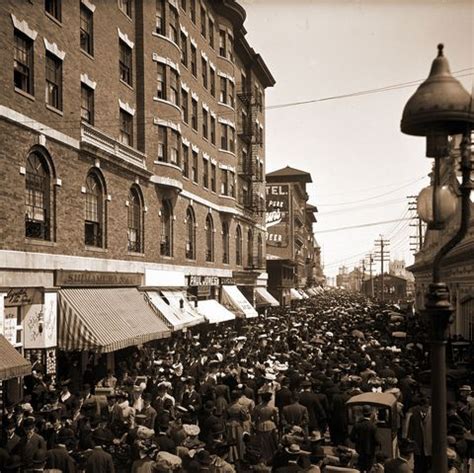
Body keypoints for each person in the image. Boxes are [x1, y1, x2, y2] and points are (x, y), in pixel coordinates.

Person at [349, 405, 380, 472]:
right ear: (371, 414)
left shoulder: (357, 425)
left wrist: (358, 441)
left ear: (362, 413)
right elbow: (377, 440)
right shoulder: (373, 426)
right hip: (370, 452)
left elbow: (351, 438)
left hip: (360, 451)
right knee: (369, 468)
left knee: (361, 468)